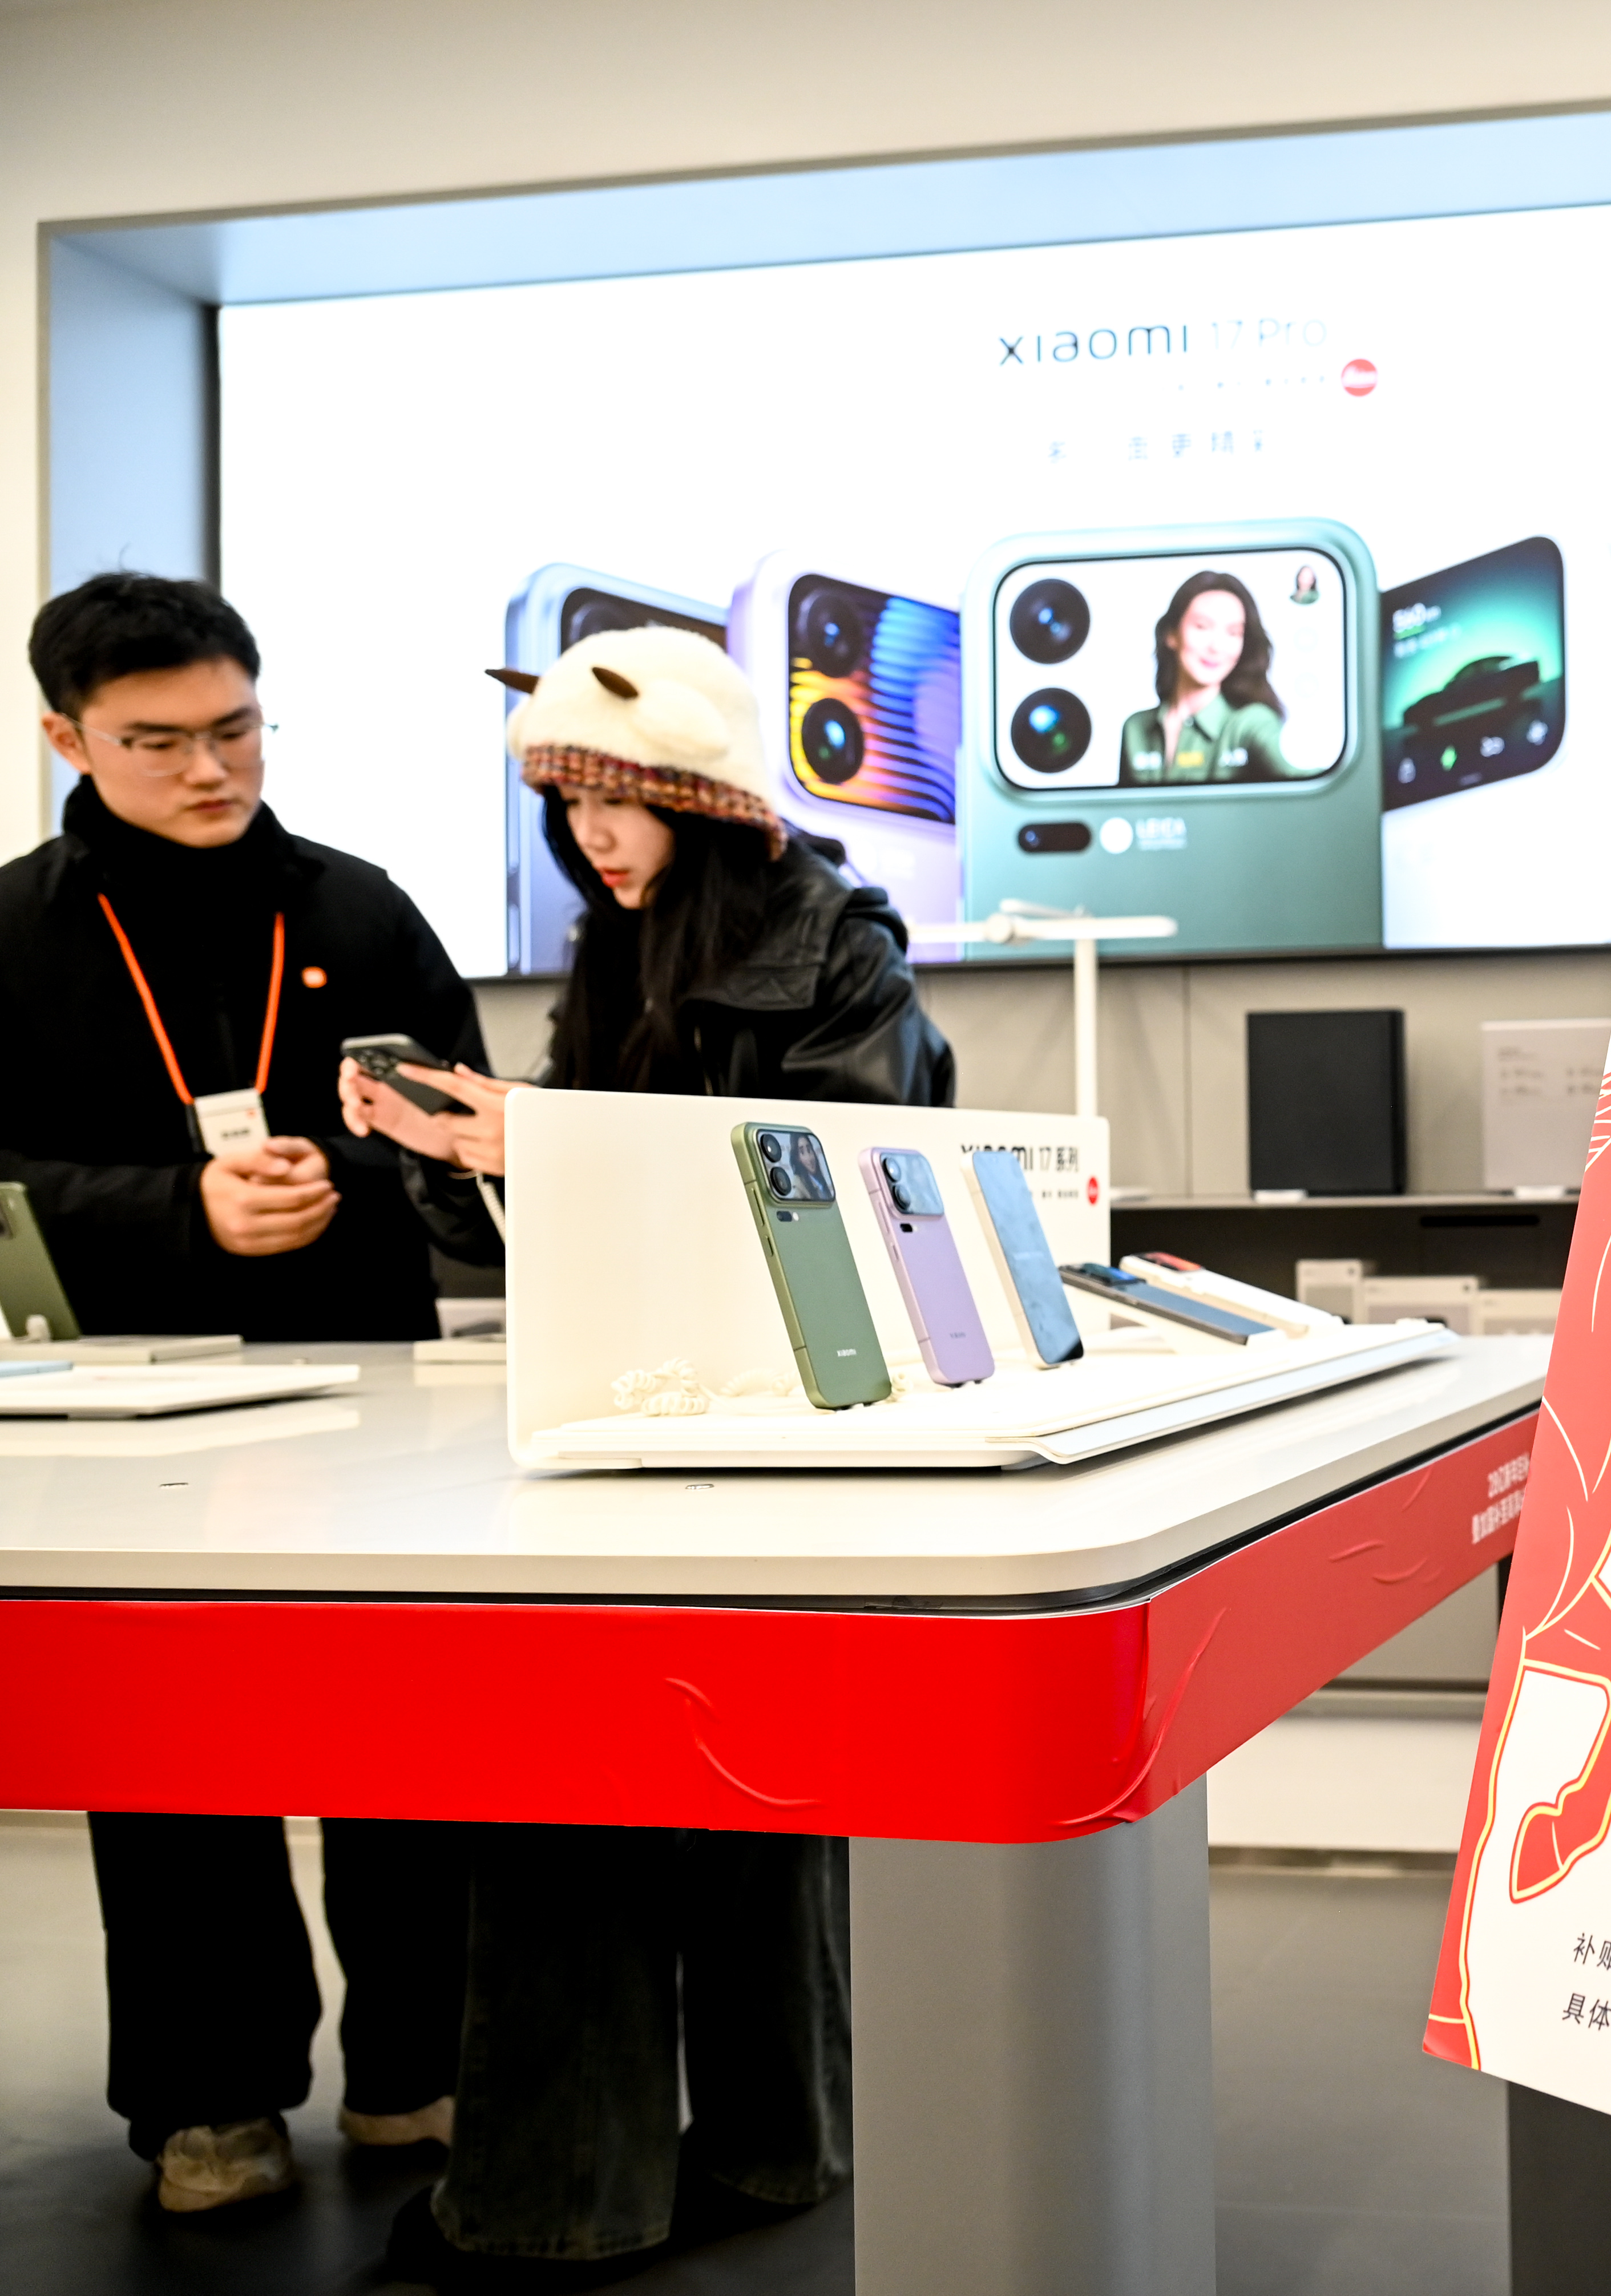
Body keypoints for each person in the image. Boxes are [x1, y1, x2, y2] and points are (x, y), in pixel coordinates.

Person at [341, 623, 951, 2285]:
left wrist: (548, 1138)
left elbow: (835, 1191)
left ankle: (564, 2194)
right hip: (656, 1409)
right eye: (568, 804)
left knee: (595, 1774)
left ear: (706, 796)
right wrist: (463, 1153)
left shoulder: (840, 946)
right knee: (713, 1775)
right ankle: (749, 2149)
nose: (590, 834)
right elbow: (569, 1221)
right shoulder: (626, 951)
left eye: (620, 800)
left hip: (759, 1421)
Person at [1, 573, 480, 2209]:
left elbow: (466, 1150)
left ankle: (420, 2063)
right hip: (123, 1405)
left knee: (404, 1740)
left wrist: (351, 1172)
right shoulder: (11, 935)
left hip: (371, 1388)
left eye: (237, 727)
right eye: (159, 741)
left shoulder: (361, 910)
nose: (211, 768)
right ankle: (210, 2098)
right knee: (169, 1755)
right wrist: (175, 1210)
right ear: (67, 736)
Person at [1120, 568, 1295, 784]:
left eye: (1234, 633)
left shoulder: (1252, 723)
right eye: (1202, 627)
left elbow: (1314, 784)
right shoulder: (1135, 728)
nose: (1216, 647)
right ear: (1171, 634)